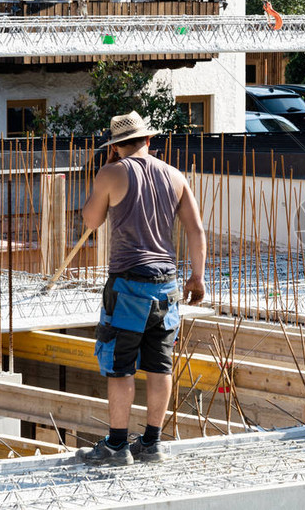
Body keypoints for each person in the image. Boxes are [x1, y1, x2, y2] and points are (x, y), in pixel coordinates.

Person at [77, 111, 206, 466]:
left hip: (128, 286)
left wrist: (104, 173)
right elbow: (195, 229)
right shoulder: (175, 176)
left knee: (120, 367)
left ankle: (117, 446)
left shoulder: (112, 172)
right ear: (148, 140)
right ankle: (152, 443)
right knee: (159, 366)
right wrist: (198, 276)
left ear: (115, 147)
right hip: (167, 288)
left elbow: (91, 220)